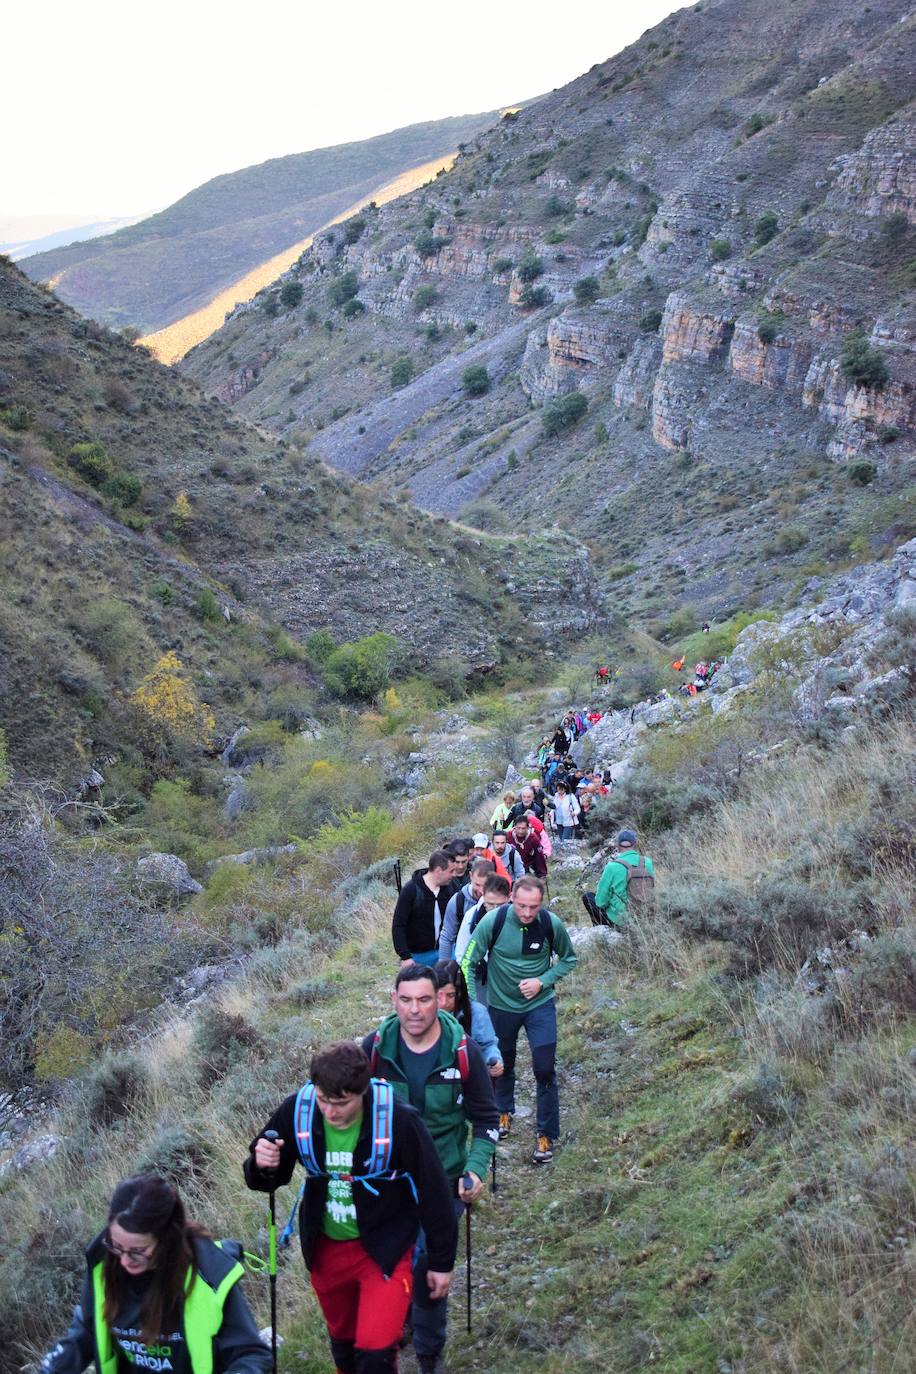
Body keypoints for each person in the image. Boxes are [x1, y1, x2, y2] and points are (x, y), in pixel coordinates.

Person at [245, 1041, 456, 1374]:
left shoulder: (399, 1121)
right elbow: (268, 1178)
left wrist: (442, 1261)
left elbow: (434, 1191)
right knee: (343, 1348)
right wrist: (261, 1162)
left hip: (385, 1250)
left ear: (363, 1091)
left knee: (374, 1356)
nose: (330, 1112)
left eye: (341, 1103)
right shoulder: (297, 1111)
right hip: (326, 1252)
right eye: (323, 1100)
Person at [361, 966, 498, 1374]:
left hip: (444, 1179)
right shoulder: (373, 1050)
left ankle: (428, 1355)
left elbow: (487, 1119)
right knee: (391, 1262)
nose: (415, 1010)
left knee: (427, 1268)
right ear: (394, 1000)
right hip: (386, 1183)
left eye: (424, 1000)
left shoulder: (463, 1051)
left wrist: (474, 1171)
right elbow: (344, 1111)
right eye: (406, 1000)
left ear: (439, 1000)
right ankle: (399, 1321)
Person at [41, 1173, 270, 1374]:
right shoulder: (104, 1265)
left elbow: (250, 1355)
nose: (124, 1260)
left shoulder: (210, 1276)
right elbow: (86, 1333)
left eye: (139, 1251)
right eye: (117, 1245)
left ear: (167, 1239)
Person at [461, 875, 577, 1165]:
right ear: (511, 897)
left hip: (540, 1006)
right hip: (501, 1007)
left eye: (533, 907)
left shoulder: (551, 924)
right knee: (502, 1064)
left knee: (544, 1067)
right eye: (522, 905)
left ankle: (546, 1133)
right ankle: (502, 1111)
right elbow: (467, 962)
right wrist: (475, 1006)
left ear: (541, 904)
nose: (527, 913)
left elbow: (568, 959)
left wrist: (543, 981)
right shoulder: (493, 922)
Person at [434, 959, 503, 1077]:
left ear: (460, 992)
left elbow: (487, 1045)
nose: (444, 1003)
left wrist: (494, 1060)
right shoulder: (422, 1013)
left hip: (468, 1077)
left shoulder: (477, 1012)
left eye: (451, 995)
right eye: (438, 995)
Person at [391, 850, 454, 966]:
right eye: (451, 871)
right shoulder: (411, 890)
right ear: (439, 871)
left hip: (445, 952)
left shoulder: (449, 889)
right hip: (418, 957)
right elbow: (398, 925)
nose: (453, 875)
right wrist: (405, 957)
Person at [593, 828, 655, 926]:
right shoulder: (647, 862)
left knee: (588, 897)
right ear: (635, 844)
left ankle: (602, 931)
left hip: (622, 920)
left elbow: (600, 902)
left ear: (617, 845)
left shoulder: (612, 866)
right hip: (645, 915)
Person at [437, 858, 494, 961]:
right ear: (471, 876)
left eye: (486, 885)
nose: (481, 891)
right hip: (463, 958)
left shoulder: (499, 902)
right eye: (477, 885)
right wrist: (444, 968)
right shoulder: (457, 902)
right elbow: (447, 938)